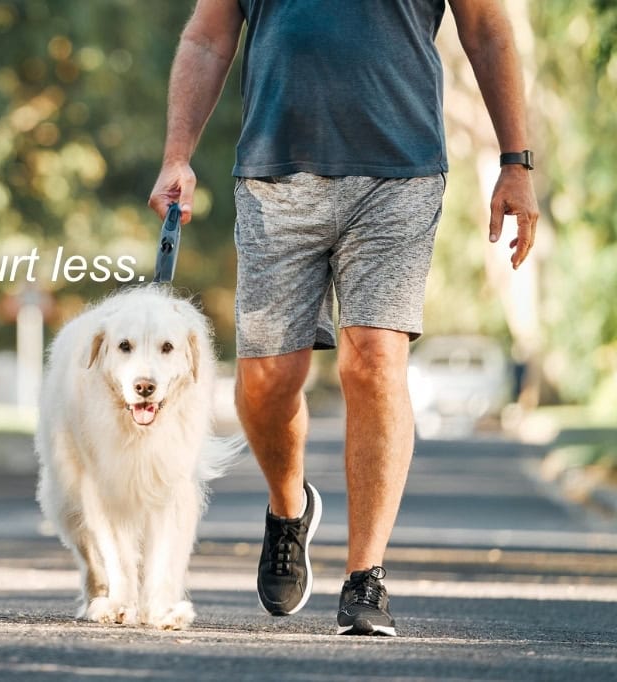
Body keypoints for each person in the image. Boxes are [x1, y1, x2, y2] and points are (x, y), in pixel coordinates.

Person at [149, 0, 538, 636]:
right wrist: (177, 154)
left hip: (401, 172)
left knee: (376, 357)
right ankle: (288, 508)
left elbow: (487, 29)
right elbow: (208, 37)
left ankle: (366, 577)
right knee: (267, 381)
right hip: (276, 176)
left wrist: (515, 163)